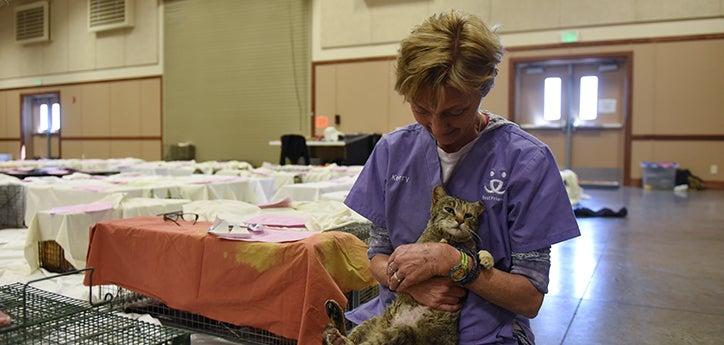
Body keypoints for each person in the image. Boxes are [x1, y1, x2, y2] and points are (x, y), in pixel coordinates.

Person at [343, 11, 581, 345]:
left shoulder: (525, 161)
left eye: (455, 112)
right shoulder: (393, 151)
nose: (438, 129)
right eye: (422, 110)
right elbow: (377, 256)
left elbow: (529, 298)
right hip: (395, 320)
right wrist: (408, 283)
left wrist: (456, 263)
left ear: (482, 89)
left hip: (484, 333)